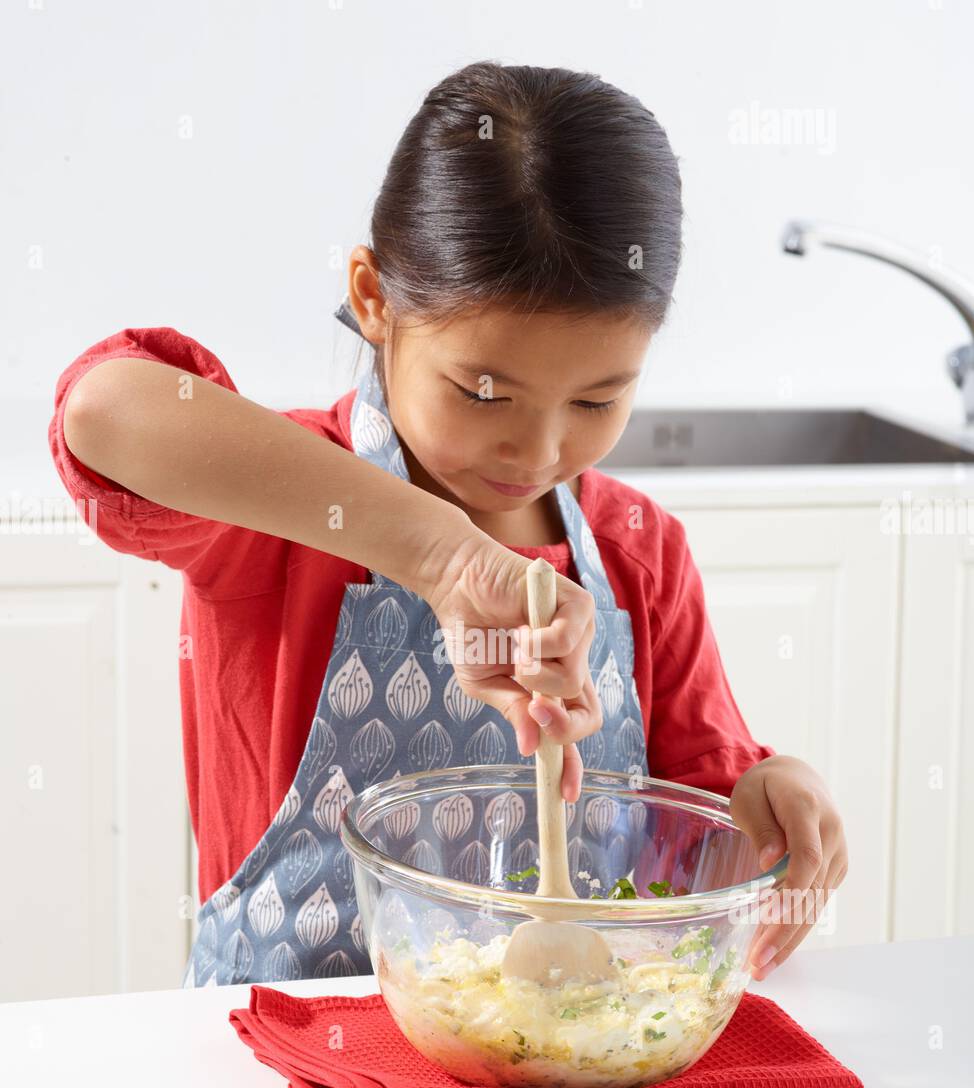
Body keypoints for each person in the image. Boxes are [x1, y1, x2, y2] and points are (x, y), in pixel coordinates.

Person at [49, 61, 847, 989]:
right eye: (483, 390)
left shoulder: (638, 550)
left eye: (596, 400)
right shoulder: (285, 503)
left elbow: (696, 835)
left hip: (557, 1083)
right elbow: (101, 412)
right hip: (284, 1083)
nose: (534, 449)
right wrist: (441, 553)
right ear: (376, 297)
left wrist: (771, 800)